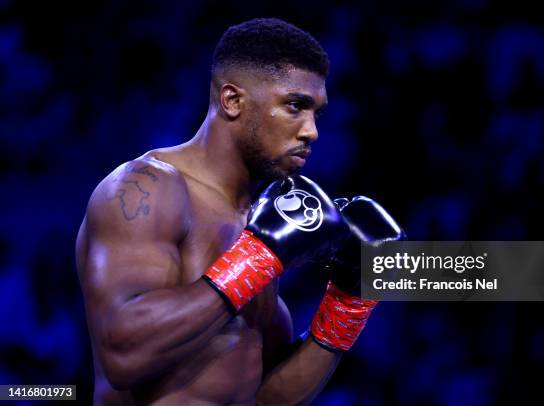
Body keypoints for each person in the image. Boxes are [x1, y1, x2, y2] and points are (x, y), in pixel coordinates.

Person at [76, 18, 403, 405]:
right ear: (232, 101)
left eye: (317, 112)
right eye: (295, 105)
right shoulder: (147, 189)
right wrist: (256, 259)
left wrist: (348, 302)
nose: (312, 131)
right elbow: (122, 355)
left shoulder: (257, 217)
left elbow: (265, 396)